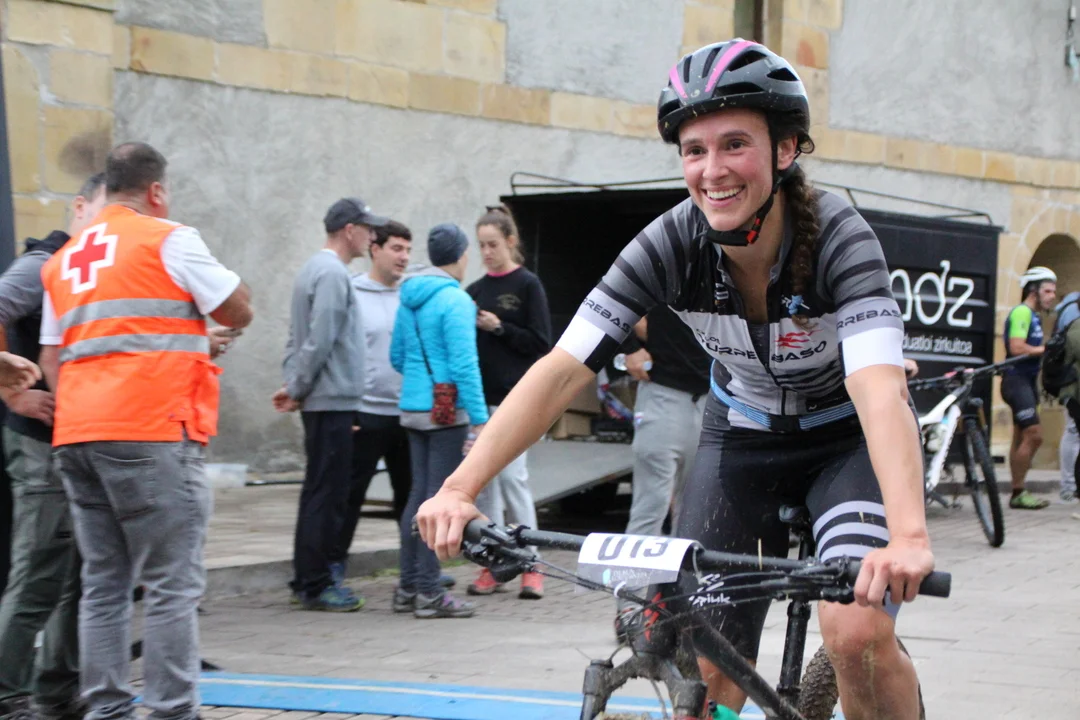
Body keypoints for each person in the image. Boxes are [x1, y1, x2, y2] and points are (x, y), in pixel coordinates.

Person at [416, 40, 937, 719]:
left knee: (857, 632)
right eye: (694, 150)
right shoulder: (669, 244)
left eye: (734, 145)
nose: (712, 170)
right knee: (707, 661)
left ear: (785, 150)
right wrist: (459, 489)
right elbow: (562, 369)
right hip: (741, 439)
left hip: (846, 441)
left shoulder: (840, 238)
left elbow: (878, 388)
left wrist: (909, 537)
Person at [38, 142, 253, 720]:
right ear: (156, 191)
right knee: (170, 583)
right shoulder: (168, 238)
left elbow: (53, 357)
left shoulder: (64, 260)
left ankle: (106, 710)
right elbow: (236, 309)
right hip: (151, 429)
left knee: (103, 584)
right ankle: (171, 711)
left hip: (78, 435)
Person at [0, 173, 106, 720]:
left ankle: (56, 690)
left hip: (78, 443)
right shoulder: (44, 263)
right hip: (40, 445)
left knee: (75, 573)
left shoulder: (97, 266)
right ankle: (6, 693)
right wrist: (9, 392)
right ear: (80, 207)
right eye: (104, 210)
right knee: (40, 571)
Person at [272, 197, 387, 612]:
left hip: (323, 397)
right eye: (367, 229)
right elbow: (320, 339)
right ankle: (316, 584)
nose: (372, 236)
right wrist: (298, 386)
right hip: (331, 400)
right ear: (349, 230)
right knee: (328, 494)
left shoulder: (312, 269)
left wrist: (295, 383)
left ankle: (307, 579)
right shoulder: (333, 273)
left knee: (318, 490)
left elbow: (297, 337)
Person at [329, 220, 454, 589]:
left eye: (408, 250)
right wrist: (348, 406)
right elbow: (340, 351)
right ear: (375, 249)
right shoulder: (353, 292)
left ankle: (417, 573)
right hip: (365, 412)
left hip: (407, 414)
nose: (404, 257)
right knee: (349, 496)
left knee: (413, 498)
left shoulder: (410, 295)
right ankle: (333, 569)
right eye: (396, 248)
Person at [391, 223, 487, 619]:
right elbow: (465, 365)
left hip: (413, 409)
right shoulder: (456, 301)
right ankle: (430, 593)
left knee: (418, 496)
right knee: (440, 499)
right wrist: (480, 419)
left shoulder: (408, 297)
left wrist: (421, 384)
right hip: (446, 413)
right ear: (462, 255)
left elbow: (397, 357)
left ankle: (408, 586)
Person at [464, 206, 551, 600]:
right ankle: (495, 563)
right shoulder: (474, 291)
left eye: (493, 244)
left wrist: (499, 327)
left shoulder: (528, 285)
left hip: (515, 400)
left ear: (510, 242)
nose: (487, 252)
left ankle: (531, 564)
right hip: (481, 403)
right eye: (481, 246)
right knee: (486, 488)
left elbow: (541, 343)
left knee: (514, 480)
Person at [611, 304, 711, 633]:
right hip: (663, 392)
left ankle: (684, 605)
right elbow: (610, 303)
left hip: (711, 397)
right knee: (650, 507)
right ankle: (630, 605)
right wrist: (629, 347)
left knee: (695, 510)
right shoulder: (662, 273)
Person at [1000, 266, 1057, 510]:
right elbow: (1016, 347)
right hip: (1016, 381)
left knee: (1020, 436)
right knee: (1034, 434)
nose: (1052, 296)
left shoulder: (1034, 316)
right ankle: (1018, 490)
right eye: (1047, 291)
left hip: (1027, 381)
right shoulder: (1022, 312)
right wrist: (1046, 349)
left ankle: (1017, 492)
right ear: (1033, 291)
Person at [1051, 290, 1080, 504]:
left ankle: (1070, 487)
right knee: (1073, 432)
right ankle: (1069, 487)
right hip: (1074, 391)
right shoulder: (1074, 319)